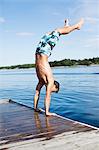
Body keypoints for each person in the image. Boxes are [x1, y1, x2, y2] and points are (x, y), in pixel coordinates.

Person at [34, 18, 84, 116]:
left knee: (55, 31)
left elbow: (37, 93)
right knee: (57, 31)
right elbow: (47, 96)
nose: (51, 91)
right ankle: (76, 26)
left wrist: (36, 108)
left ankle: (67, 26)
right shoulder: (50, 80)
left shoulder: (41, 81)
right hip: (41, 52)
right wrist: (47, 112)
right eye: (54, 90)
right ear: (54, 86)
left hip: (40, 51)